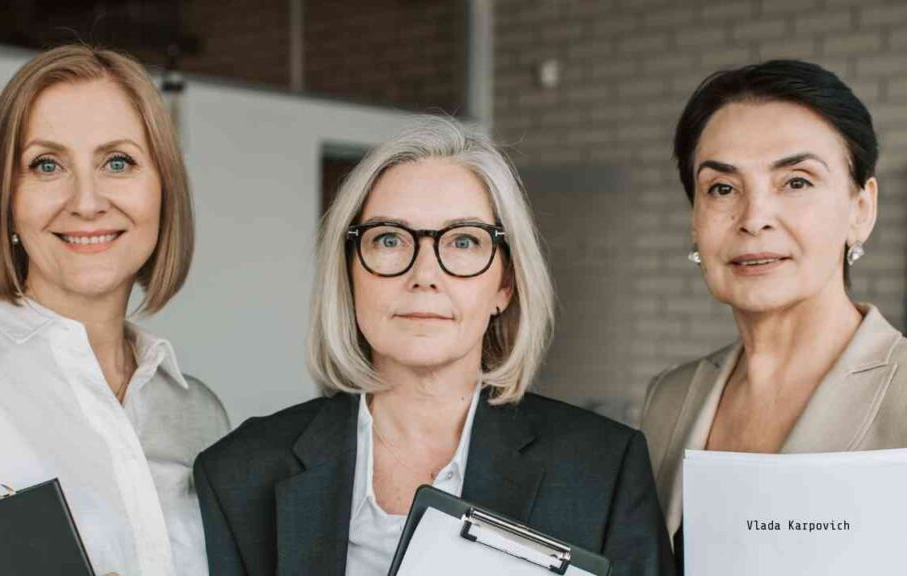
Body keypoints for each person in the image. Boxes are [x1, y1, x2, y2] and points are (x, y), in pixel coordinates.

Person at [194, 115, 674, 576]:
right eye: (389, 240)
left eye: (463, 242)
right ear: (349, 275)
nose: (424, 275)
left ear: (505, 284)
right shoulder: (242, 471)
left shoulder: (602, 469)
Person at [0, 45, 229, 576]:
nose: (86, 201)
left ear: (163, 191)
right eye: (46, 165)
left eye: (118, 162)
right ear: (6, 199)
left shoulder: (200, 416)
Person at [641, 59, 907, 572]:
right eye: (722, 188)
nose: (754, 219)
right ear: (694, 222)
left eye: (796, 182)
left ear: (861, 209)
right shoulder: (669, 398)